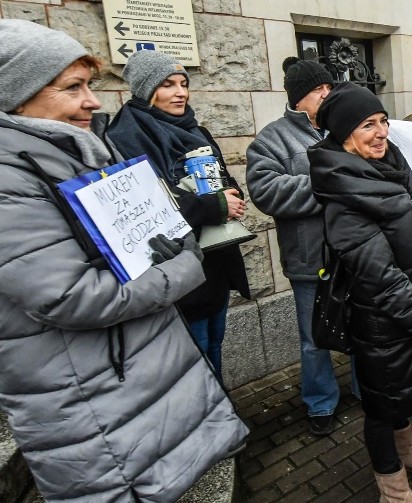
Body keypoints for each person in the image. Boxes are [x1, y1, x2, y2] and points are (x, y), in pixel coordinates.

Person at [0, 20, 248, 502]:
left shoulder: (78, 148)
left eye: (89, 85)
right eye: (73, 88)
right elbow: (73, 294)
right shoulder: (31, 171)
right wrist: (185, 261)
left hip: (132, 367)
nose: (93, 101)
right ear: (17, 95)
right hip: (91, 397)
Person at [308, 82, 412, 501]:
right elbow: (383, 282)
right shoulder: (346, 199)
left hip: (406, 314)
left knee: (399, 399)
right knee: (382, 407)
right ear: (345, 136)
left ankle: (407, 452)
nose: (381, 132)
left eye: (382, 121)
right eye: (367, 125)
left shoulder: (386, 167)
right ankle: (393, 490)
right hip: (381, 323)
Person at [107, 50, 251, 381]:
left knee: (214, 345)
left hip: (215, 259)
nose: (181, 92)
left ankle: (220, 412)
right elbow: (144, 206)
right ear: (146, 90)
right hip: (177, 265)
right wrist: (215, 206)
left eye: (183, 83)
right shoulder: (125, 138)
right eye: (169, 84)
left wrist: (233, 197)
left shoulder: (196, 131)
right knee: (194, 356)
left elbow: (224, 180)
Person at [246, 56, 357, 437]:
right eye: (317, 90)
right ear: (297, 98)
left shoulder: (343, 128)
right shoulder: (270, 140)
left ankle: (364, 388)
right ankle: (321, 402)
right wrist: (325, 185)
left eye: (329, 87)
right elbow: (264, 191)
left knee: (363, 327)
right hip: (309, 259)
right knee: (314, 340)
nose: (327, 95)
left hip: (353, 251)